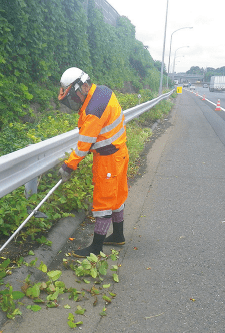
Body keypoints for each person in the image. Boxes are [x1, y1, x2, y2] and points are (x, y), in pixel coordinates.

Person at [57, 67, 129, 258]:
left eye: (74, 95)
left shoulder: (93, 110)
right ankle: (118, 235)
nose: (74, 100)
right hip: (120, 153)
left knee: (104, 202)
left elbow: (84, 145)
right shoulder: (102, 91)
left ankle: (96, 248)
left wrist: (68, 166)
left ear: (84, 86)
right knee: (117, 196)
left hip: (109, 160)